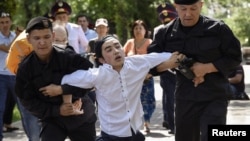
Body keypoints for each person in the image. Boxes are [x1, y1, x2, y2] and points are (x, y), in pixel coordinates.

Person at [39, 35, 184, 141]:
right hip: (112, 136)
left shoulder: (137, 63)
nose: (115, 51)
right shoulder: (97, 75)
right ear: (102, 60)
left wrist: (179, 61)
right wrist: (66, 101)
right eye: (108, 49)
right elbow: (66, 79)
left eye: (117, 46)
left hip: (135, 133)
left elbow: (167, 56)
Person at [147, 0, 242, 141]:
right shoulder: (165, 33)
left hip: (214, 96)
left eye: (193, 8)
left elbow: (235, 58)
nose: (188, 14)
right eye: (183, 9)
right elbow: (151, 64)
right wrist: (170, 63)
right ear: (176, 7)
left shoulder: (218, 29)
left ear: (201, 5)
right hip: (185, 97)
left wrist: (206, 68)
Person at [15, 16, 97, 141]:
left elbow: (91, 79)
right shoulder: (25, 68)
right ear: (29, 39)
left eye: (46, 37)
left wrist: (62, 89)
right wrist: (58, 110)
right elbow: (27, 100)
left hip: (80, 115)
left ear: (53, 36)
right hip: (52, 119)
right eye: (37, 38)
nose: (42, 42)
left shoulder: (68, 57)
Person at [123, 19, 154, 133]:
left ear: (145, 30)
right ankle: (133, 124)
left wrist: (149, 73)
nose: (138, 30)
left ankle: (147, 122)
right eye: (136, 28)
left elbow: (154, 60)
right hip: (132, 78)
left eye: (140, 28)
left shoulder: (150, 43)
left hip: (147, 77)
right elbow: (123, 57)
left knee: (148, 100)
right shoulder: (129, 43)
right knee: (132, 100)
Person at [153, 2, 178, 134]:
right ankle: (172, 124)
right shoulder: (158, 30)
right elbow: (156, 50)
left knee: (176, 96)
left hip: (179, 67)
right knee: (169, 96)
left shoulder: (181, 27)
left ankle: (171, 121)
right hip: (165, 68)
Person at [0, 11, 18, 140]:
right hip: (1, 75)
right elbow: (8, 49)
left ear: (10, 22)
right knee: (0, 108)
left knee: (25, 108)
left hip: (15, 75)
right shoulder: (15, 37)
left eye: (7, 22)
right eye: (2, 22)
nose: (5, 25)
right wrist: (18, 38)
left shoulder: (14, 35)